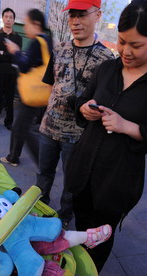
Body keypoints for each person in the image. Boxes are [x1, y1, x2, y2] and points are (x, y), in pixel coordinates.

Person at [65, 0, 147, 272]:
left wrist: (126, 125)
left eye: (136, 45)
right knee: (81, 229)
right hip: (84, 168)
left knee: (100, 239)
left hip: (118, 180)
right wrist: (84, 108)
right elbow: (82, 101)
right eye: (121, 41)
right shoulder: (107, 69)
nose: (126, 51)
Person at [37, 0, 114, 227]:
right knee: (43, 175)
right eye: (72, 15)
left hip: (79, 135)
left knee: (72, 182)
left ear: (97, 15)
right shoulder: (59, 49)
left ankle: (64, 218)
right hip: (48, 128)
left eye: (81, 15)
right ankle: (39, 210)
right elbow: (50, 85)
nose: (75, 21)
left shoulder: (106, 59)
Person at [0, 9, 52, 167]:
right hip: (40, 92)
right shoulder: (47, 40)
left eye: (27, 23)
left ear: (36, 24)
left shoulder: (38, 41)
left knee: (25, 129)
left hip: (33, 93)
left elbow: (24, 66)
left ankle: (43, 164)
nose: (25, 26)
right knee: (21, 128)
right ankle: (14, 157)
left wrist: (15, 51)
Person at [0, 8, 22, 131]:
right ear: (2, 18)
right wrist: (9, 55)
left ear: (14, 20)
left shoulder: (18, 38)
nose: (8, 19)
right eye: (6, 16)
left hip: (11, 73)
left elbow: (16, 56)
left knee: (10, 99)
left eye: (11, 17)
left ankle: (9, 122)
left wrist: (4, 54)